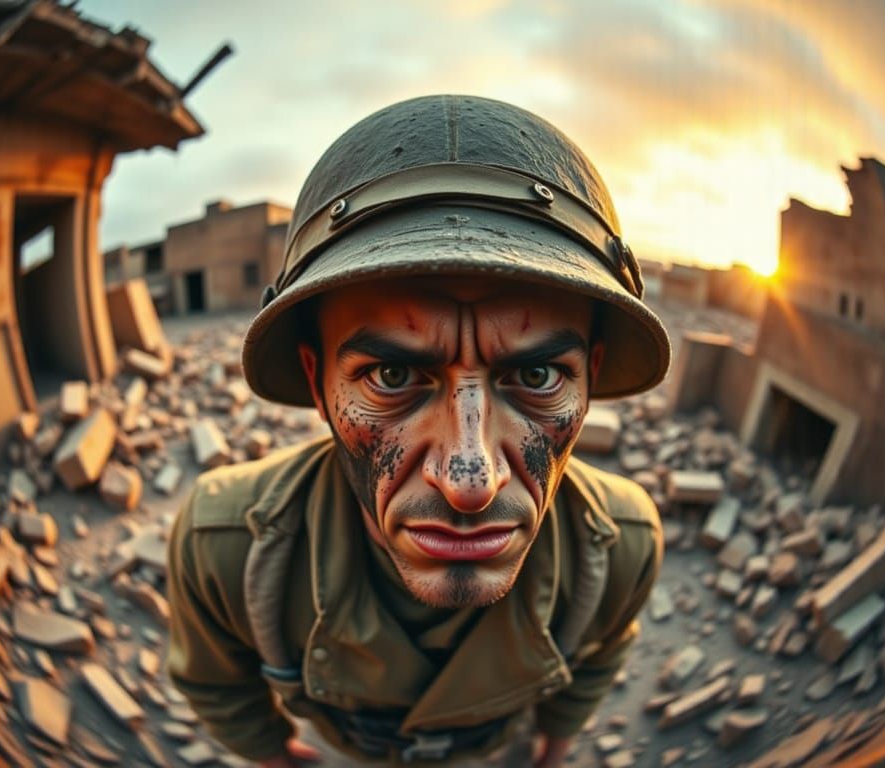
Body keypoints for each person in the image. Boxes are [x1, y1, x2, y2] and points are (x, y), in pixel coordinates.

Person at [167, 94, 671, 767]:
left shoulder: (620, 548)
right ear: (318, 384)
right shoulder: (225, 548)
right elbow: (214, 681)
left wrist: (554, 747)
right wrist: (271, 756)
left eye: (541, 375)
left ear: (592, 377)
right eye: (392, 377)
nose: (471, 482)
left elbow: (603, 654)